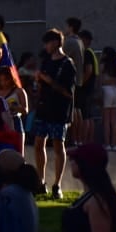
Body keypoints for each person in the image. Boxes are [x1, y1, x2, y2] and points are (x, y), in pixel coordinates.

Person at [32, 29, 78, 199]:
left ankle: (57, 184)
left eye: (49, 42)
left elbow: (69, 93)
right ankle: (40, 180)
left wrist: (49, 81)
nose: (46, 46)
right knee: (38, 143)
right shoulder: (46, 61)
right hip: (44, 108)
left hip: (59, 110)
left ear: (57, 43)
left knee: (58, 145)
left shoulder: (67, 64)